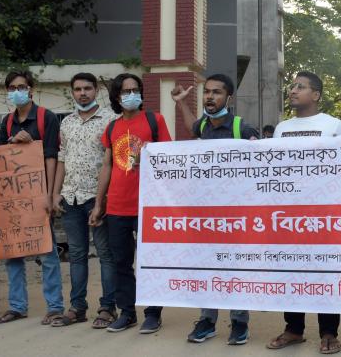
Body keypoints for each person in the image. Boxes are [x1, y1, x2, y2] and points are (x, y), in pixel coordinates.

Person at [266, 70, 341, 355]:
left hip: (323, 213)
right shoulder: (281, 128)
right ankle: (294, 329)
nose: (292, 90)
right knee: (291, 270)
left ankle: (328, 332)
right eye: (291, 86)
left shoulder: (333, 125)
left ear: (315, 95)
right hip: (288, 214)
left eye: (300, 87)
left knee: (324, 271)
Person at [172, 74, 257, 345]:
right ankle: (207, 321)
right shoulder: (204, 125)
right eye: (207, 92)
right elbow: (191, 130)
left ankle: (239, 323)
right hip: (207, 215)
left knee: (235, 269)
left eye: (216, 92)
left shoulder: (242, 129)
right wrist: (181, 104)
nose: (210, 97)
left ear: (228, 98)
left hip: (236, 216)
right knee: (207, 267)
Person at [89, 73, 172, 333]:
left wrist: (152, 150)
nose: (131, 95)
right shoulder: (112, 128)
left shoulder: (154, 120)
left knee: (149, 262)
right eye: (125, 91)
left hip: (148, 205)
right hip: (117, 206)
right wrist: (98, 203)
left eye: (135, 90)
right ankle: (127, 312)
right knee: (121, 262)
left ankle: (152, 313)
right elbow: (107, 166)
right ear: (117, 97)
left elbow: (169, 157)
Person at [0, 70, 65, 325]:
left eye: (21, 86)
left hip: (39, 196)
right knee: (13, 252)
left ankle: (55, 307)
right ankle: (17, 306)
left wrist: (48, 195)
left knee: (47, 252)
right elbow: (0, 158)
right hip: (13, 198)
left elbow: (52, 157)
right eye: (12, 87)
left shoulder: (47, 117)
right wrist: (14, 142)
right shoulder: (7, 122)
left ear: (31, 89)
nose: (17, 91)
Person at [51, 73, 116, 328]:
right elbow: (62, 159)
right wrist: (56, 192)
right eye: (77, 89)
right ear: (72, 92)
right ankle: (77, 307)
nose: (82, 93)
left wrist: (103, 200)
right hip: (71, 197)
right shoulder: (66, 122)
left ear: (97, 89)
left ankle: (107, 307)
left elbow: (111, 162)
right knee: (76, 254)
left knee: (105, 254)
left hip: (98, 197)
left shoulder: (111, 120)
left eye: (87, 88)